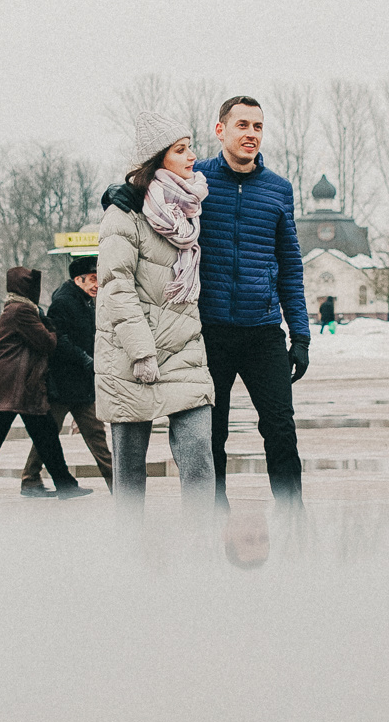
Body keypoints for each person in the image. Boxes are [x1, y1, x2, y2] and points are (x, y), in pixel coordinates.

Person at [97, 113, 218, 511]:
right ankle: (130, 556)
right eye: (181, 150)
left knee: (200, 460)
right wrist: (141, 351)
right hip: (133, 355)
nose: (192, 157)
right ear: (156, 160)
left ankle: (199, 551)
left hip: (184, 350)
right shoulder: (123, 214)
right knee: (130, 472)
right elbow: (116, 288)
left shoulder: (190, 209)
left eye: (190, 148)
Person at [195, 96, 308, 506]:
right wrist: (120, 191)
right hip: (209, 331)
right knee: (211, 432)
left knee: (280, 428)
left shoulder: (279, 189)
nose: (251, 134)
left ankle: (294, 519)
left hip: (263, 332)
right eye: (242, 125)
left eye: (258, 126)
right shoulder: (194, 178)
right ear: (220, 129)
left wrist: (301, 336)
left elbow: (290, 266)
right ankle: (212, 517)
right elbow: (148, 196)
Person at [0, 268, 90, 502]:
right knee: (3, 436)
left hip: (17, 383)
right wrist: (49, 324)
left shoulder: (16, 308)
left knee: (42, 434)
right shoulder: (22, 311)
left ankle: (64, 483)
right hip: (17, 384)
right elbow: (47, 342)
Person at [22, 257, 114, 493]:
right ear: (78, 279)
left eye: (98, 280)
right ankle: (30, 479)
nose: (96, 285)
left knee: (92, 435)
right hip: (63, 384)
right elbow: (58, 341)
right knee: (52, 435)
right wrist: (84, 359)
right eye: (92, 280)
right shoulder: (63, 302)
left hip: (79, 384)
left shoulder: (85, 301)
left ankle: (117, 484)